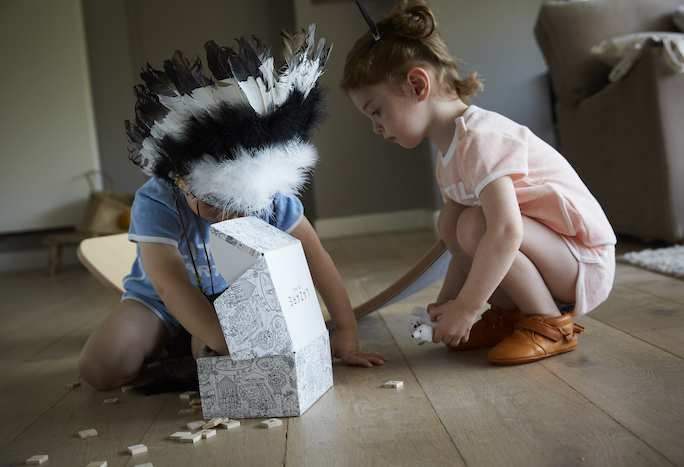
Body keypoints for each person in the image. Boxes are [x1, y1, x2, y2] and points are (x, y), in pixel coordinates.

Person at [80, 26, 386, 391]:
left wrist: (346, 330)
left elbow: (315, 256)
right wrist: (228, 343)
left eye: (243, 206)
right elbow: (168, 282)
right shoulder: (158, 199)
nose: (233, 216)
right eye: (217, 203)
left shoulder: (271, 196)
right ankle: (171, 344)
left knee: (218, 353)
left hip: (236, 295)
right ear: (183, 180)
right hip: (158, 303)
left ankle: (192, 347)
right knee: (100, 369)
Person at [341, 0, 616, 365]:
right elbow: (458, 246)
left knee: (476, 223)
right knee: (452, 223)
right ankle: (510, 317)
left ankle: (550, 323)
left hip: (582, 261)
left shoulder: (482, 139)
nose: (376, 126)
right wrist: (448, 302)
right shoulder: (448, 156)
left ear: (417, 85)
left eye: (376, 110)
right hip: (552, 257)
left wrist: (468, 309)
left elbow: (504, 233)